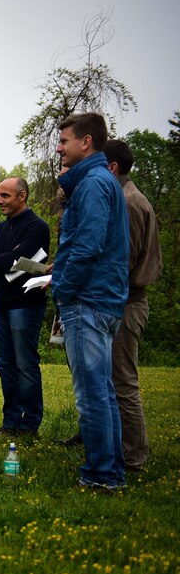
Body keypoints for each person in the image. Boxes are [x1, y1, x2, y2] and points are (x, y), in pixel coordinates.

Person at [52, 112, 130, 490]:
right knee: (103, 391)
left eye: (64, 140)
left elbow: (88, 245)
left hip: (89, 299)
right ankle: (111, 470)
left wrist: (64, 287)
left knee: (92, 394)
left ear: (86, 142)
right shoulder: (99, 180)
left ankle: (102, 476)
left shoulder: (95, 183)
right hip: (100, 297)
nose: (58, 146)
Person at [103, 139, 162, 470]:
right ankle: (116, 448)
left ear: (112, 168)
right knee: (113, 380)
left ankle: (133, 458)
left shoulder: (127, 202)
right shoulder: (125, 197)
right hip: (122, 299)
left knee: (123, 381)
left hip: (125, 302)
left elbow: (120, 264)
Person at [0, 178, 51, 437]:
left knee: (25, 365)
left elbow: (19, 262)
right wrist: (3, 261)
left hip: (25, 306)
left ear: (22, 195)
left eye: (5, 196)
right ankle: (10, 423)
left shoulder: (38, 227)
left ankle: (30, 425)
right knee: (5, 366)